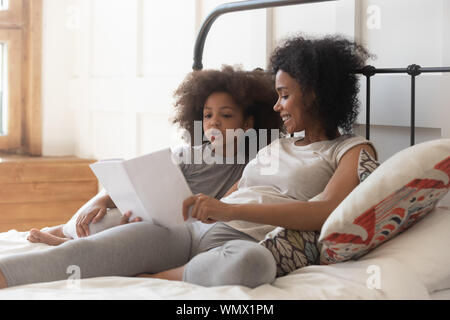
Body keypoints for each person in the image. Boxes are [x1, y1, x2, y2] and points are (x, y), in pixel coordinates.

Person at [0, 35, 377, 290]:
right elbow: (236, 189)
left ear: (313, 95)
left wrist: (227, 211)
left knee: (253, 264)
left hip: (236, 242)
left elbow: (323, 212)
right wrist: (203, 208)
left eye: (284, 95)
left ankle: (159, 276)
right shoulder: (274, 144)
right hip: (189, 233)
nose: (277, 106)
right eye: (276, 96)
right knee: (86, 252)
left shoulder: (352, 150)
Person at [25, 65, 283, 246]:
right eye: (207, 115)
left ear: (249, 123)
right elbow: (133, 185)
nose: (214, 122)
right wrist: (101, 202)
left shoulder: (253, 164)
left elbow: (227, 208)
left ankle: (68, 240)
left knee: (131, 235)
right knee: (103, 219)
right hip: (149, 217)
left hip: (185, 232)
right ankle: (64, 232)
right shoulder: (187, 156)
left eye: (226, 116)